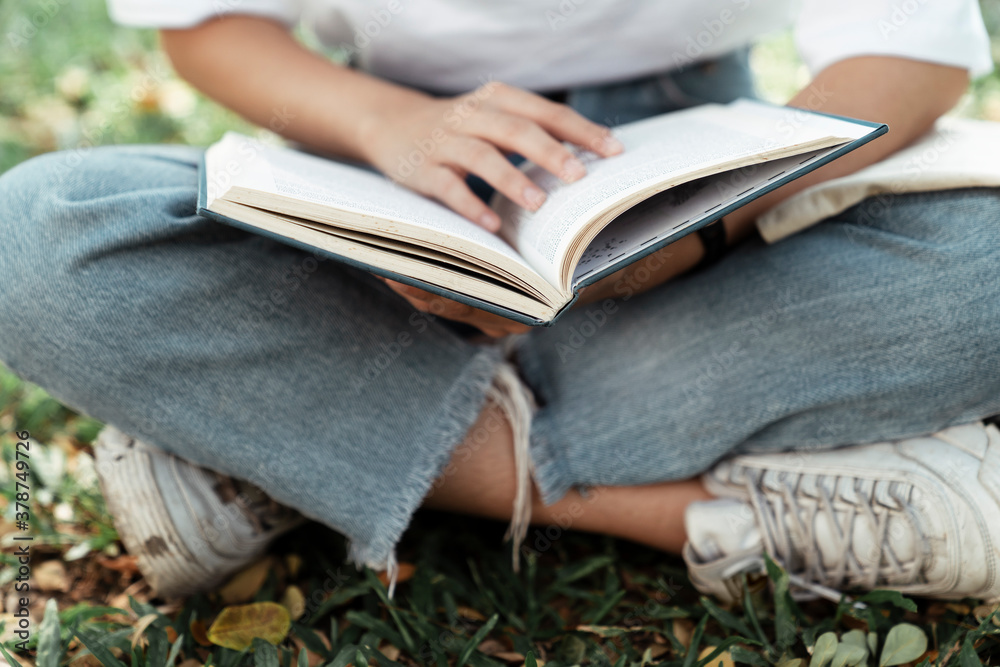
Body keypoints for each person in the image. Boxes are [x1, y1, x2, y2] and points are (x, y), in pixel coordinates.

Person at [1, 0, 999, 603]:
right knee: (34, 233)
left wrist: (704, 225)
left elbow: (908, 51)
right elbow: (209, 21)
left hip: (716, 173)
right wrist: (394, 125)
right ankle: (696, 515)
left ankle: (283, 443)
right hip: (379, 162)